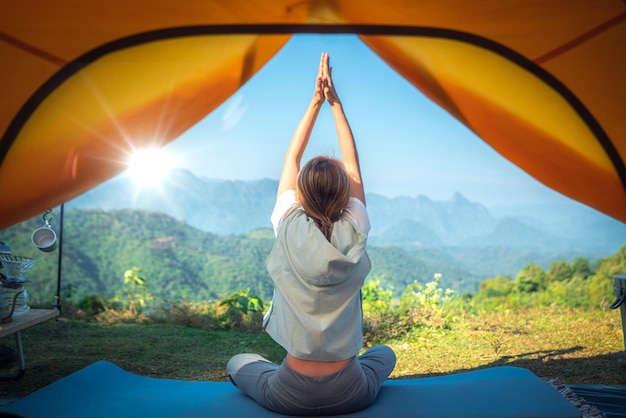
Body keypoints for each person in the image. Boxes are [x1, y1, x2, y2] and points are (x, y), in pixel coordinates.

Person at [226, 52, 396, 416]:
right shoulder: (355, 227)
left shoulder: (287, 222)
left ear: (299, 194)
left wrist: (315, 101)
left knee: (239, 362)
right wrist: (335, 103)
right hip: (352, 389)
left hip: (289, 392)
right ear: (344, 195)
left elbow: (291, 160)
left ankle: (262, 372)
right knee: (384, 355)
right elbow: (352, 167)